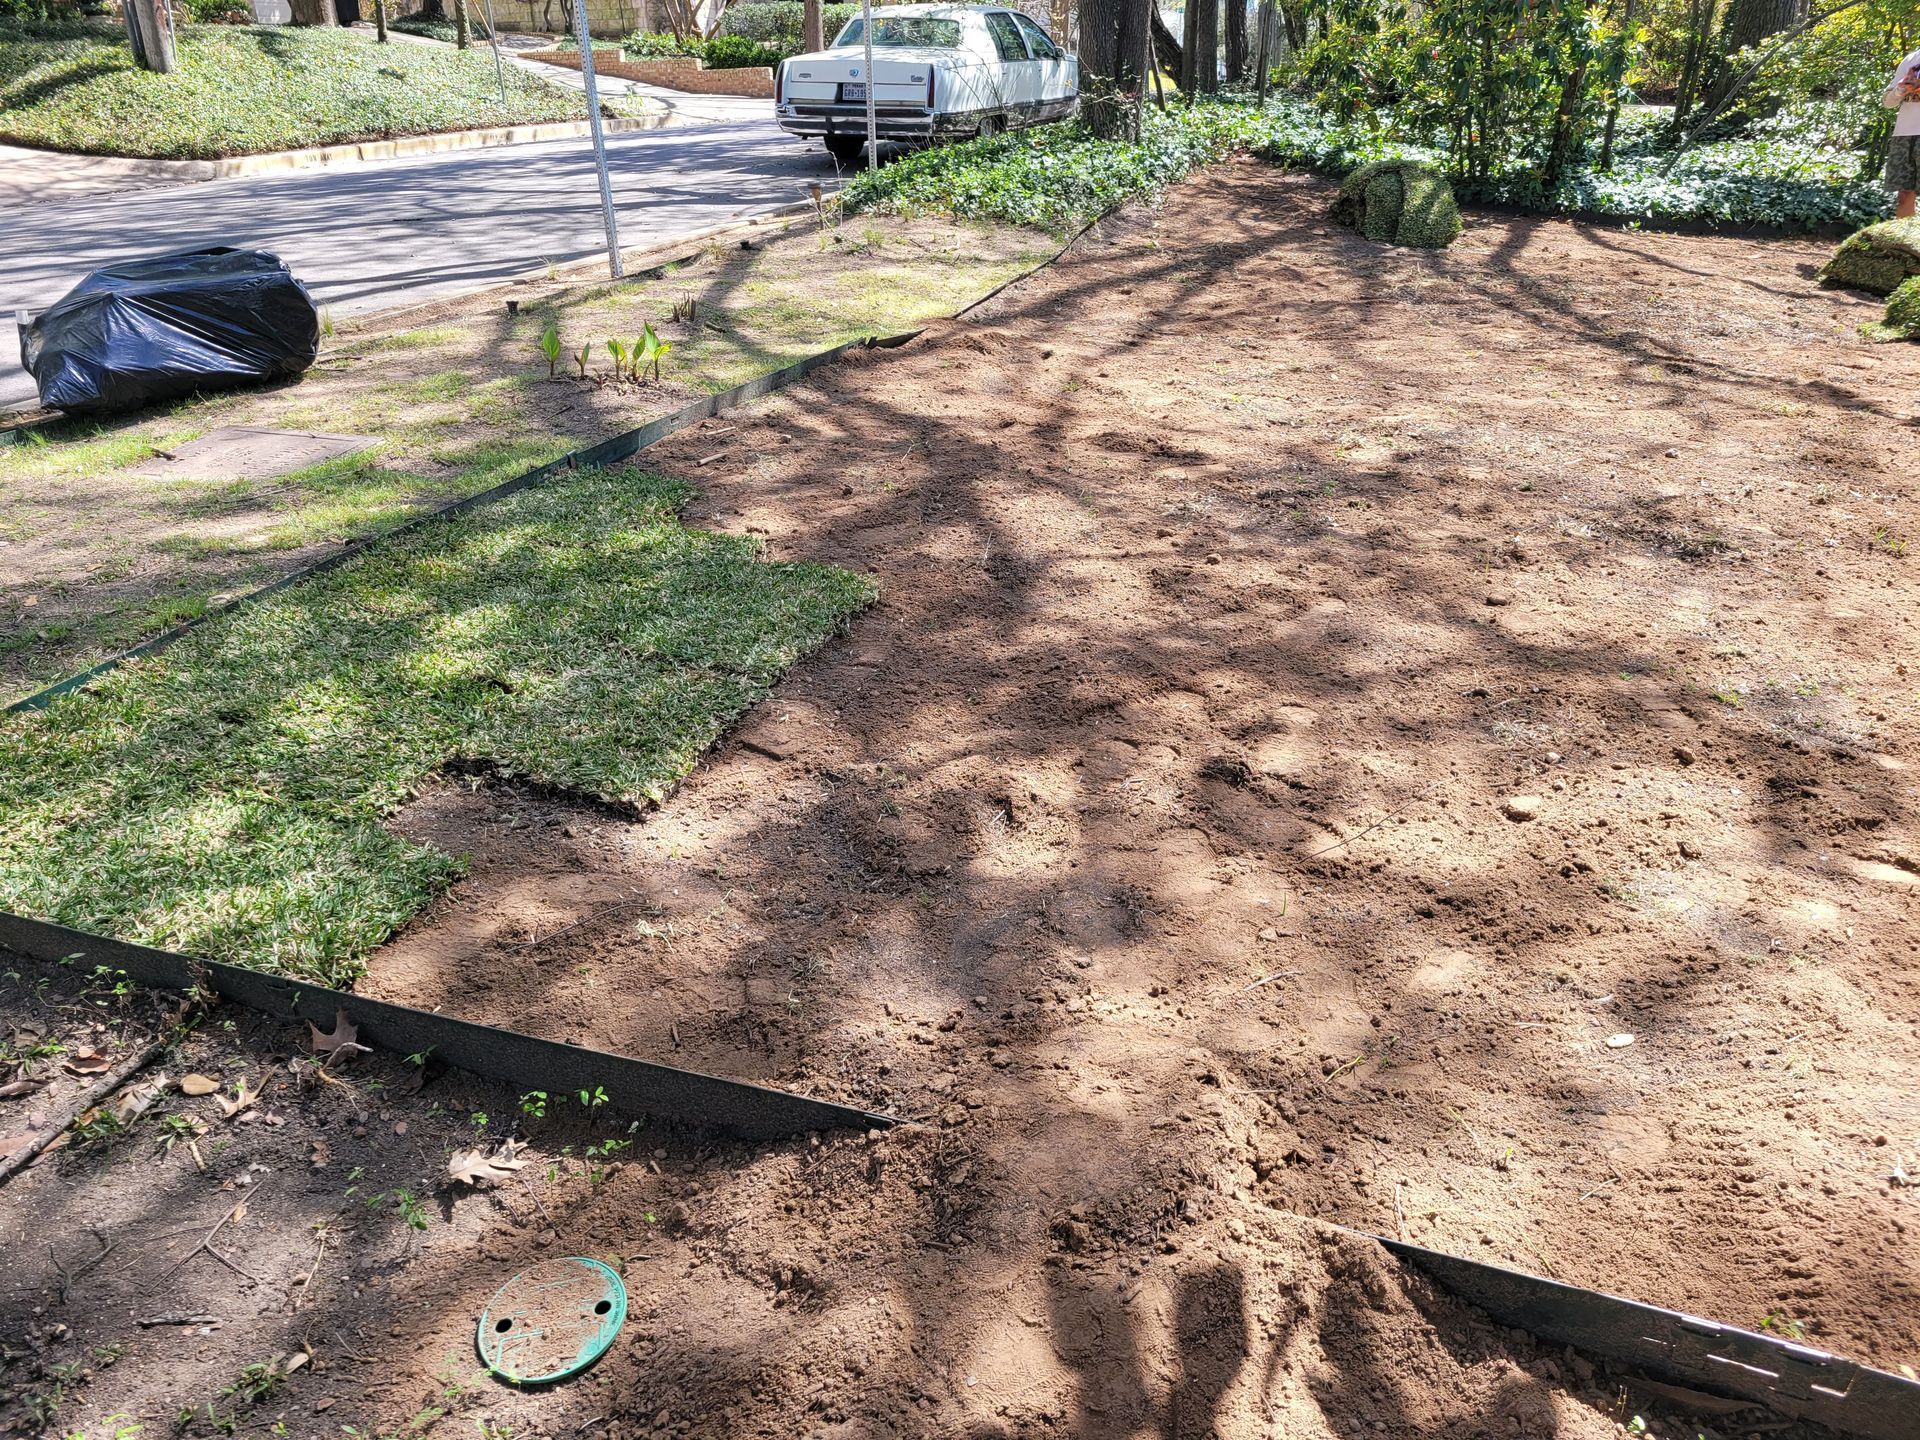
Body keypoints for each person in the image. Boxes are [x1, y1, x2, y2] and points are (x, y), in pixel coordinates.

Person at [1886, 47, 1920, 220]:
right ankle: (1905, 245)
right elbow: (1887, 102)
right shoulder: (1911, 59)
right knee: (1904, 194)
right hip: (1904, 135)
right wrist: (1901, 89)